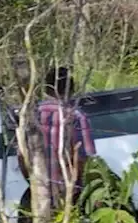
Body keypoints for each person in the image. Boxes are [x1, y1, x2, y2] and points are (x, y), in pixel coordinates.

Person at [36, 67, 96, 207]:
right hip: (67, 191)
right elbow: (84, 158)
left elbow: (22, 157)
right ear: (71, 89)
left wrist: (33, 181)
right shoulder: (76, 117)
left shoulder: (31, 116)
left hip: (38, 188)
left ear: (46, 88)